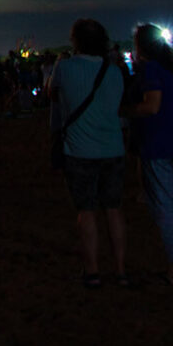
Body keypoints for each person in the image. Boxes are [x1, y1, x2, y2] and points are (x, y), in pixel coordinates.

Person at [47, 19, 127, 288]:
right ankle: (120, 269)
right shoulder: (114, 71)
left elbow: (52, 95)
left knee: (87, 211)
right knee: (114, 210)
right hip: (113, 147)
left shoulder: (65, 67)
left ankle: (92, 271)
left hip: (79, 150)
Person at [129, 23, 173, 286]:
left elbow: (151, 105)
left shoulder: (151, 70)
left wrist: (127, 111)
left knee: (164, 209)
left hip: (157, 145)